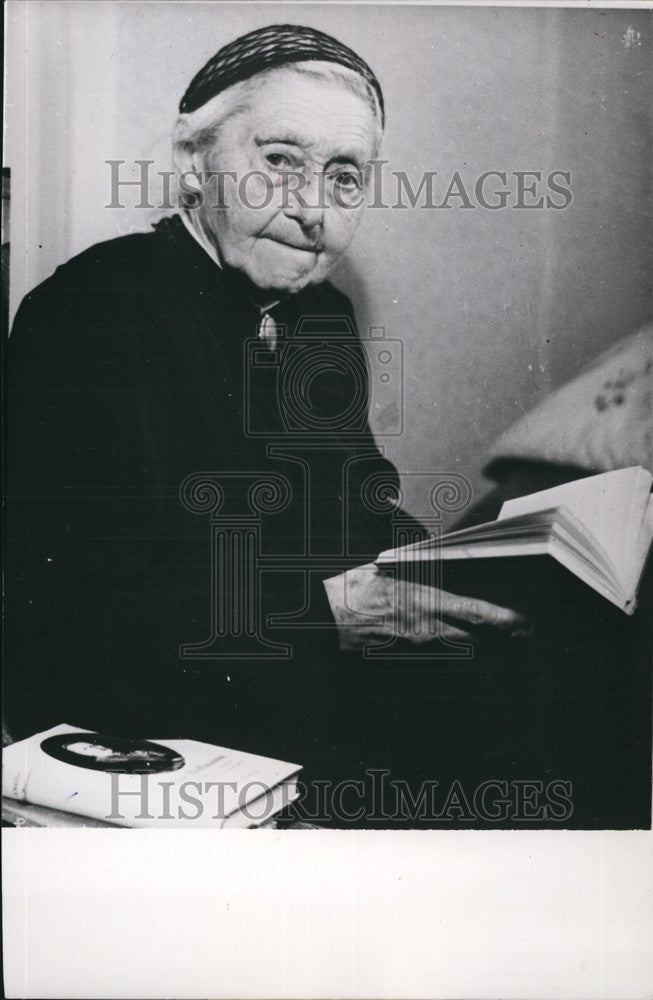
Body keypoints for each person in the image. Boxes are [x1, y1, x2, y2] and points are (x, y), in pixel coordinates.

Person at [6, 24, 530, 815]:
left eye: (345, 177)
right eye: (280, 160)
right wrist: (328, 614)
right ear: (192, 166)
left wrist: (463, 562)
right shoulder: (92, 313)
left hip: (291, 705)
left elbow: (357, 508)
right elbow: (82, 629)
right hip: (144, 749)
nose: (313, 207)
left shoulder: (320, 317)